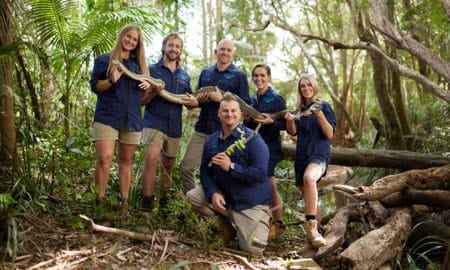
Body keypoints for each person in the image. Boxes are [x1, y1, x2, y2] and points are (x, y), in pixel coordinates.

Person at [186, 93, 272, 255]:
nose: (229, 114)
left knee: (253, 249)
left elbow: (261, 174)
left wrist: (232, 167)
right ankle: (227, 227)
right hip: (226, 199)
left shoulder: (253, 139)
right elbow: (205, 171)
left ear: (240, 114)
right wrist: (213, 193)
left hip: (250, 203)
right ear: (218, 114)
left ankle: (261, 222)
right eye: (225, 111)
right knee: (193, 196)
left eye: (234, 111)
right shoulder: (211, 140)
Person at [89, 24, 151, 203]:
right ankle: (98, 202)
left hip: (132, 119)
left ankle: (124, 202)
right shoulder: (105, 60)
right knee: (104, 159)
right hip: (108, 116)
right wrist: (111, 80)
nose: (131, 41)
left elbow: (142, 99)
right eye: (128, 36)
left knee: (126, 160)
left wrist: (147, 88)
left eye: (135, 39)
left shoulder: (138, 67)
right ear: (121, 36)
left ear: (138, 44)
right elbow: (95, 87)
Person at [179, 39, 250, 194]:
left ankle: (218, 210)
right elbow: (197, 99)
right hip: (202, 129)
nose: (225, 52)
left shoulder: (239, 76)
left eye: (228, 50)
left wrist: (222, 100)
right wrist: (196, 100)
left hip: (225, 134)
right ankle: (195, 206)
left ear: (233, 54)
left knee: (221, 174)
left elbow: (244, 107)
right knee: (186, 168)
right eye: (222, 49)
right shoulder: (206, 73)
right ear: (215, 52)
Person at [140, 32, 196, 211]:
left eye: (177, 46)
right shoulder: (151, 70)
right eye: (171, 45)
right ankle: (147, 204)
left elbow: (189, 104)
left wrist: (194, 102)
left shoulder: (185, 76)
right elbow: (141, 100)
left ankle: (164, 204)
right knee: (151, 159)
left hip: (174, 126)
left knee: (168, 165)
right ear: (164, 47)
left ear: (181, 51)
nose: (174, 49)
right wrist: (154, 91)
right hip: (153, 122)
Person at [285, 74, 336, 248]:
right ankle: (318, 234)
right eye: (302, 86)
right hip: (301, 156)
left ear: (314, 86)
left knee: (309, 178)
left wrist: (320, 115)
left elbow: (330, 134)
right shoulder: (299, 110)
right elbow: (292, 132)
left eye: (308, 85)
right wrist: (290, 121)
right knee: (306, 192)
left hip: (319, 154)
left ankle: (311, 227)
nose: (306, 88)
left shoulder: (324, 106)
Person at [244, 64, 287, 237]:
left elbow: (286, 123)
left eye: (262, 75)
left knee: (268, 181)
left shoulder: (276, 98)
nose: (258, 79)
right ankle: (266, 220)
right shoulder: (252, 100)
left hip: (271, 148)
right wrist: (246, 119)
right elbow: (248, 125)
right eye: (255, 75)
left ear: (269, 77)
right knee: (263, 182)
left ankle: (278, 222)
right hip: (254, 147)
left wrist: (272, 123)